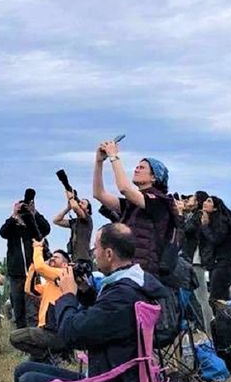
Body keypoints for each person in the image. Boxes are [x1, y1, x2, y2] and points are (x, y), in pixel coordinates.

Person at [14, 223, 169, 382]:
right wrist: (85, 291)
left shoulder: (121, 296)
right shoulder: (135, 284)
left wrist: (67, 295)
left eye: (95, 248)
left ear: (109, 253)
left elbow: (72, 334)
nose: (92, 253)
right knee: (23, 369)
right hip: (125, 381)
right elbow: (105, 320)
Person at [92, 139, 177, 278]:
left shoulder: (160, 202)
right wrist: (99, 162)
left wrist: (114, 156)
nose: (136, 169)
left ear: (154, 177)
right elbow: (99, 194)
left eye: (142, 167)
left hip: (145, 272)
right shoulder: (133, 204)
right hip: (129, 269)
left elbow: (124, 188)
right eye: (137, 166)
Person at [10, 241, 71, 362]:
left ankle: (49, 356)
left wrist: (37, 247)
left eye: (56, 257)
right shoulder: (50, 284)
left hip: (54, 330)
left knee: (15, 337)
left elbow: (41, 267)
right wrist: (33, 267)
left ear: (65, 264)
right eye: (52, 256)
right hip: (45, 329)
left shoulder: (65, 274)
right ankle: (48, 357)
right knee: (26, 368)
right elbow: (30, 290)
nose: (52, 258)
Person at [0, 196, 51, 328]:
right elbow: (2, 232)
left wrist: (34, 213)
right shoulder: (12, 227)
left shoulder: (32, 227)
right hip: (16, 274)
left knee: (33, 307)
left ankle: (35, 336)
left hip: (32, 272)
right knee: (18, 309)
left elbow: (46, 229)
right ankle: (22, 338)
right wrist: (14, 215)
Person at [181, 191, 213, 334]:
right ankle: (204, 327)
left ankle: (209, 329)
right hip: (192, 259)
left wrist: (181, 213)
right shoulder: (195, 215)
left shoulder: (200, 215)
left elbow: (188, 230)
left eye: (193, 197)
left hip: (197, 260)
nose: (190, 199)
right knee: (197, 297)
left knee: (201, 297)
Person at [200, 196, 231, 306]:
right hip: (219, 264)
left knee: (216, 299)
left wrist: (205, 226)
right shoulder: (215, 220)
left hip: (223, 264)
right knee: (221, 299)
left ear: (215, 208)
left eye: (209, 201)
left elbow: (216, 239)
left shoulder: (222, 221)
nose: (205, 202)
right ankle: (226, 322)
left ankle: (225, 322)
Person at [52, 190, 94, 262]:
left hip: (83, 259)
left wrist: (71, 198)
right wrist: (68, 208)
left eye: (82, 203)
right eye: (79, 202)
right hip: (74, 259)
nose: (79, 204)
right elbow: (56, 220)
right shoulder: (75, 222)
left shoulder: (87, 219)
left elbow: (76, 207)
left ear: (87, 210)